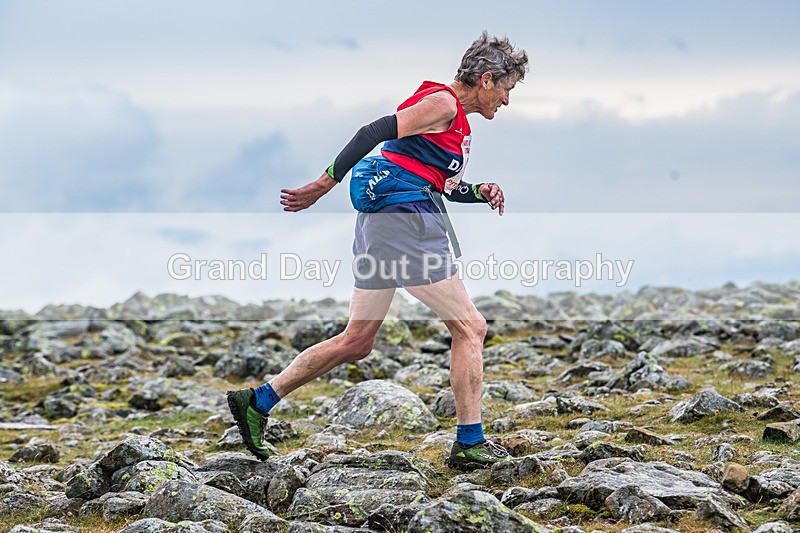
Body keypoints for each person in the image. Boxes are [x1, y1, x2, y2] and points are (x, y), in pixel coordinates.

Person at [227, 31, 528, 470]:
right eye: (507, 89)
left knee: (357, 341)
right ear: (486, 80)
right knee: (471, 328)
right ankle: (469, 443)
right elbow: (375, 130)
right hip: (403, 221)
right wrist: (322, 184)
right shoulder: (443, 103)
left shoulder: (456, 126)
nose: (507, 100)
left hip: (382, 223)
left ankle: (258, 400)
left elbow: (444, 184)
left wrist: (481, 191)